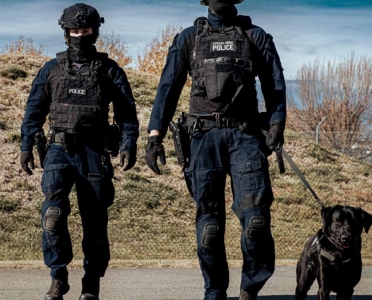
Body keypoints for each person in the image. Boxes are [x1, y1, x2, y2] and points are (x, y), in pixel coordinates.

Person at [145, 0, 286, 299]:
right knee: (209, 229)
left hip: (245, 135)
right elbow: (168, 87)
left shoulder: (255, 36)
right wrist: (154, 136)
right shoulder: (189, 38)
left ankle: (250, 288)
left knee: (256, 221)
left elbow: (274, 84)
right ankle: (215, 292)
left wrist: (276, 124)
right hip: (202, 138)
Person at [20, 3, 139, 300]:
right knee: (54, 215)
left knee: (95, 223)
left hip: (94, 153)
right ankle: (58, 277)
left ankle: (91, 284)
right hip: (59, 150)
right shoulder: (52, 69)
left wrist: (128, 144)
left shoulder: (110, 70)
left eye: (86, 31)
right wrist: (25, 144)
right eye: (75, 31)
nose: (80, 36)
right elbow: (34, 110)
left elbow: (127, 114)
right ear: (66, 32)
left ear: (95, 31)